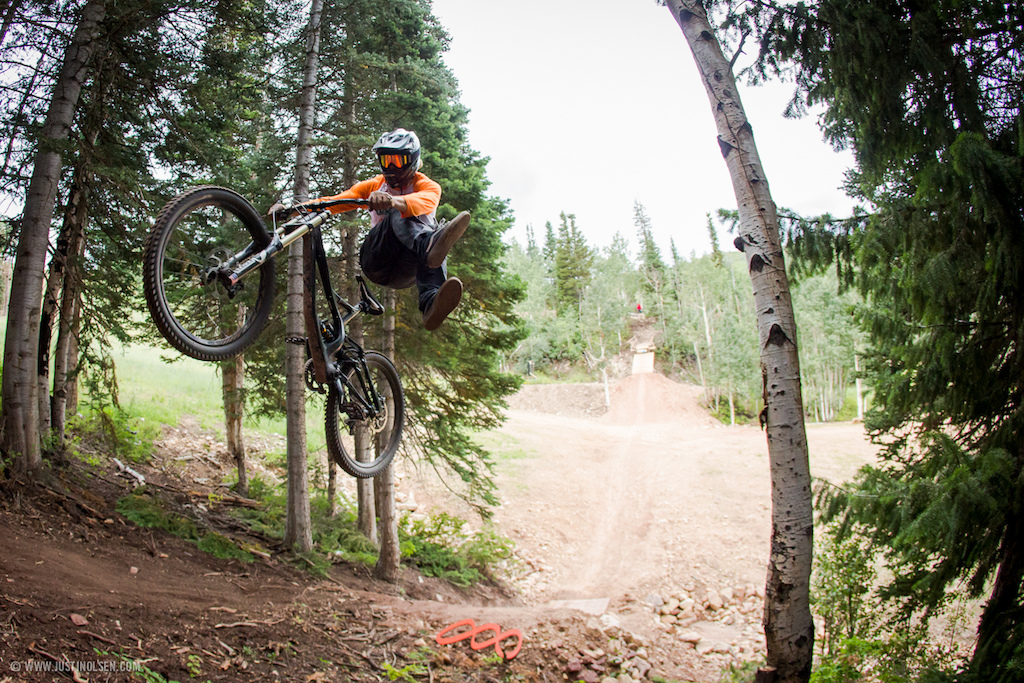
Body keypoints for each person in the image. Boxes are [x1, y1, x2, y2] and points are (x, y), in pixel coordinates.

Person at [269, 128, 470, 330]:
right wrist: (291, 211)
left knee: (435, 233)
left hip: (408, 270)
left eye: (397, 161)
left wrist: (393, 201)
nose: (391, 166)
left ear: (412, 160)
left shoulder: (428, 186)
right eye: (386, 160)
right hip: (377, 260)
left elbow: (423, 202)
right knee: (419, 232)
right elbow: (333, 202)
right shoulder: (374, 186)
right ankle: (428, 247)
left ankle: (430, 305)